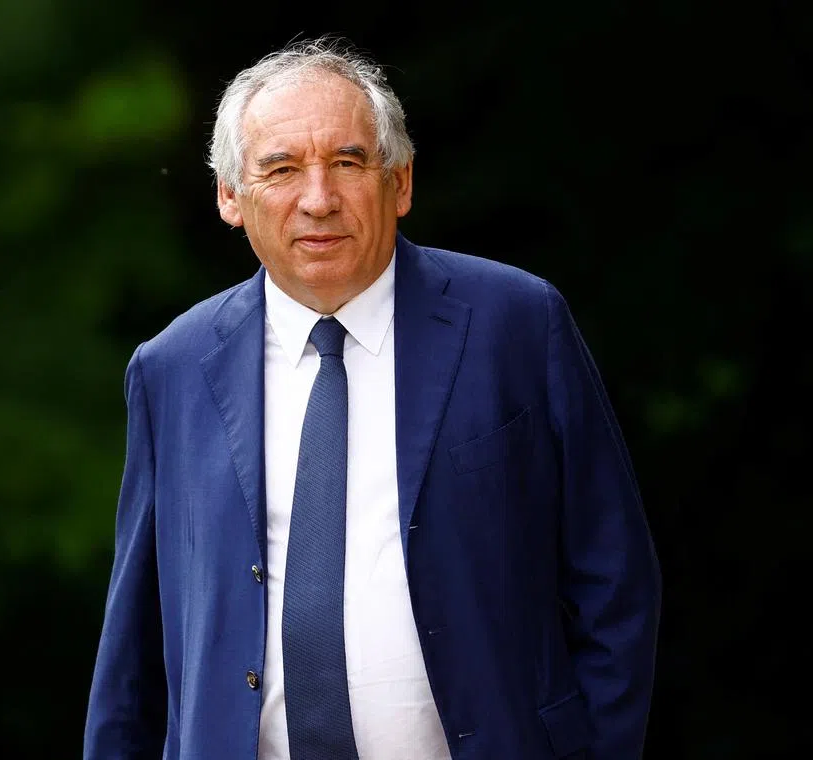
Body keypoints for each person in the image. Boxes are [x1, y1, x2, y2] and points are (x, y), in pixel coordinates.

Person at [84, 39, 661, 760]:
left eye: (348, 163)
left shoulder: (515, 324)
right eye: (281, 168)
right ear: (231, 197)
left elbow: (615, 581)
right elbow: (132, 650)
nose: (319, 199)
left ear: (402, 181)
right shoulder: (172, 368)